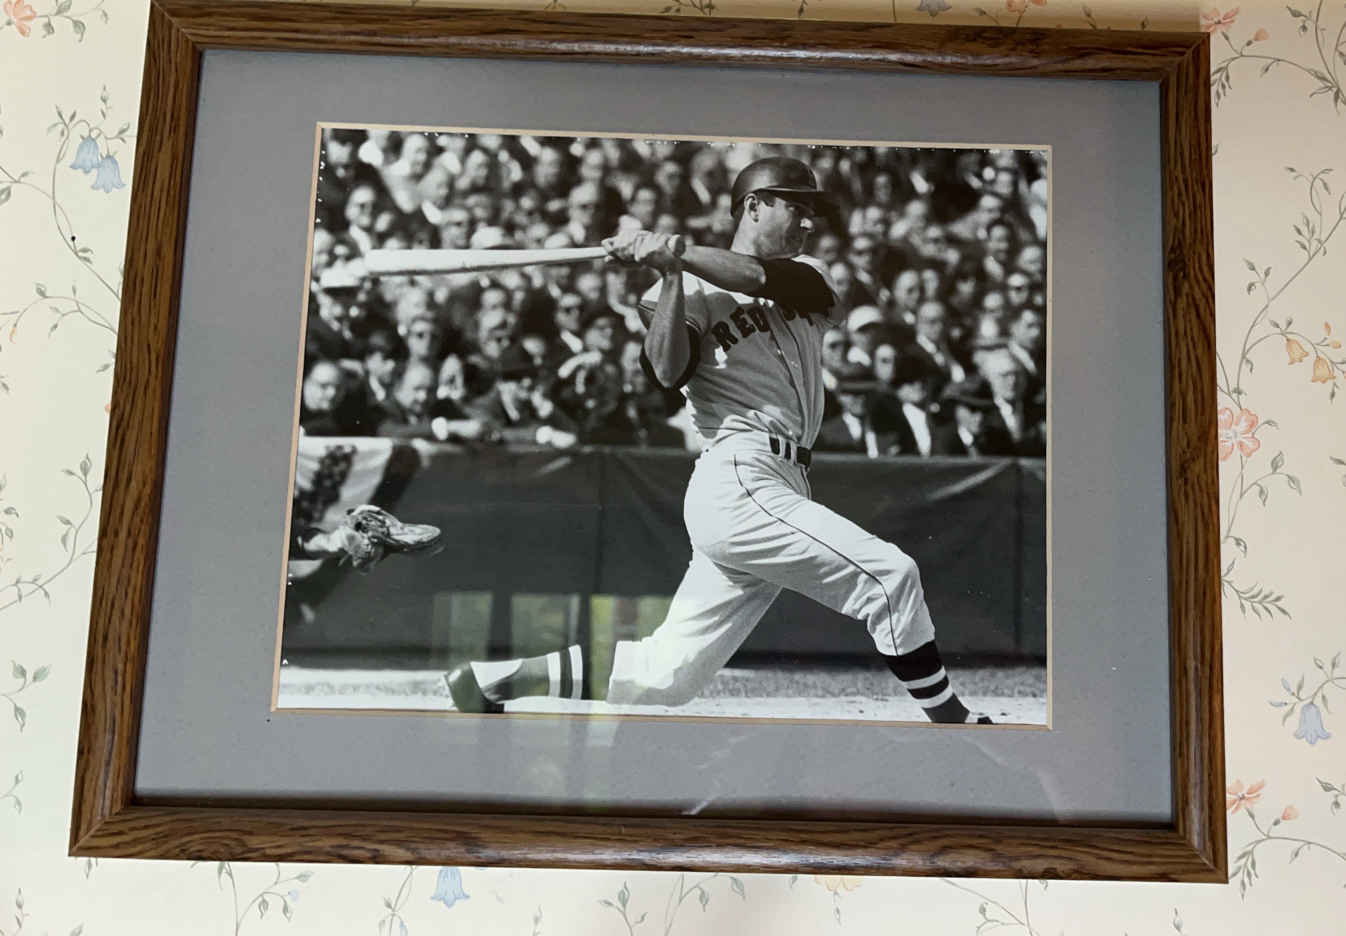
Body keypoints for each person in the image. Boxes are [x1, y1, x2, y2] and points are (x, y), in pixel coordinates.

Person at [445, 155, 992, 724]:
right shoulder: (677, 290)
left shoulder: (811, 272)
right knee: (890, 575)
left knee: (666, 676)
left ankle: (489, 680)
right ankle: (951, 719)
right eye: (795, 207)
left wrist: (676, 252)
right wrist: (670, 276)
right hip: (738, 476)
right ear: (753, 206)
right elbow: (667, 370)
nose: (808, 221)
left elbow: (756, 277)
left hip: (781, 480)